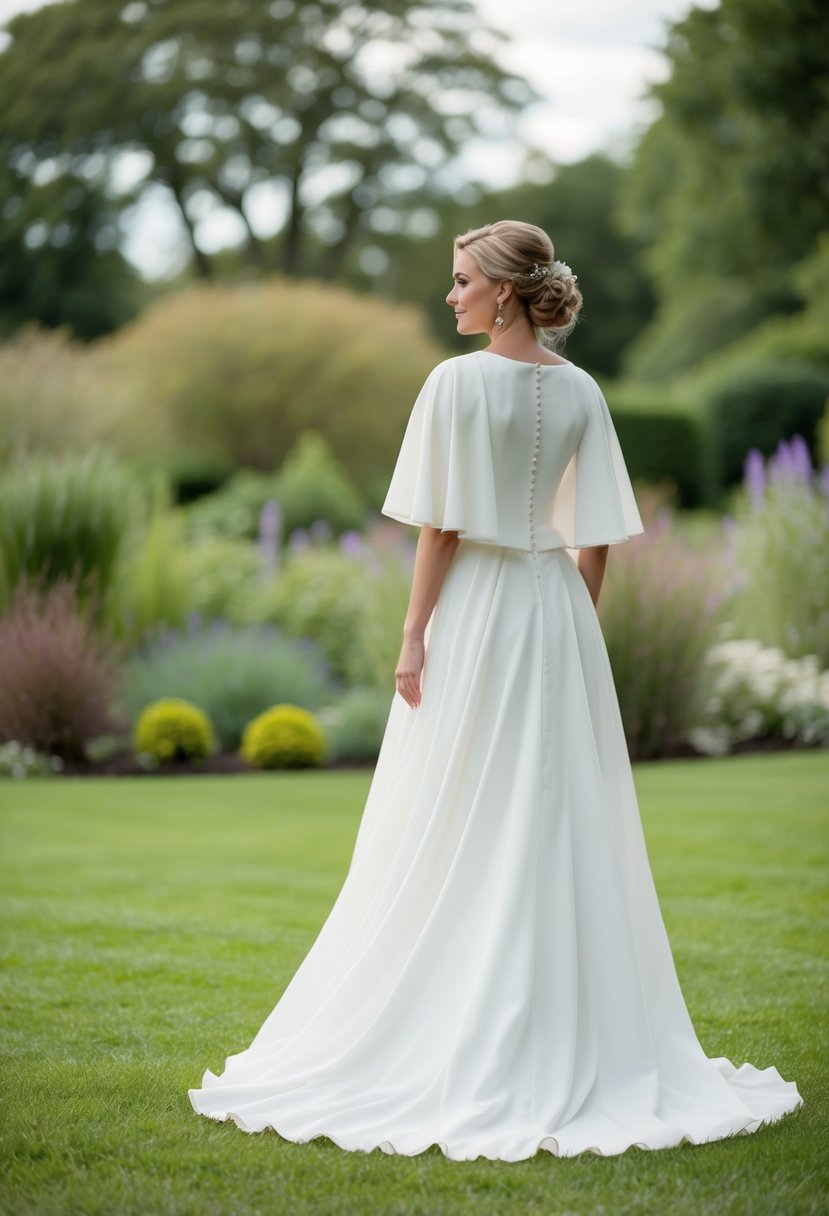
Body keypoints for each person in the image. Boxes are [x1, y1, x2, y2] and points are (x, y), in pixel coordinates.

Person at [188, 220, 802, 1160]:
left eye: (462, 281)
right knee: (551, 810)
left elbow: (436, 532)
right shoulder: (584, 390)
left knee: (450, 805)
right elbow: (595, 531)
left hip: (475, 611)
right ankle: (560, 1020)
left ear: (506, 293)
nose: (451, 296)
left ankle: (455, 1010)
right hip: (553, 607)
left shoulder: (452, 385)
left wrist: (410, 636)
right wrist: (575, 617)